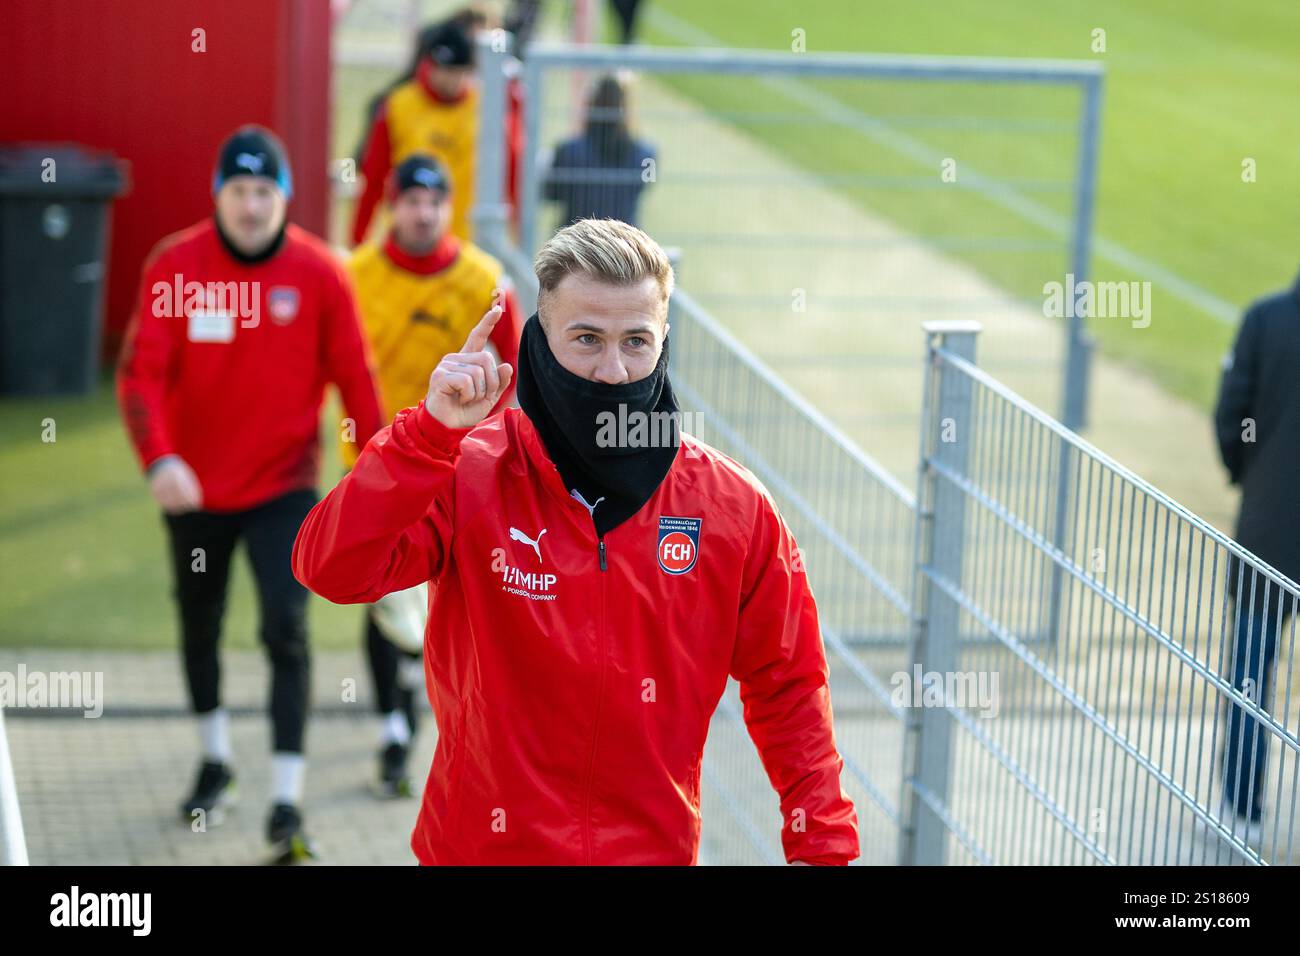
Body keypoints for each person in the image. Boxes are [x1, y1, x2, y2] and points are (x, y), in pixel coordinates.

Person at [292, 218, 859, 865]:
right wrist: (426, 436)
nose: (613, 371)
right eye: (586, 339)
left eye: (635, 342)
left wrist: (823, 848)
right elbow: (330, 569)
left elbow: (790, 686)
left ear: (664, 341)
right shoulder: (465, 471)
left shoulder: (733, 509)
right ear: (539, 339)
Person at [116, 125, 384, 862]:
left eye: (266, 190)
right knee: (199, 622)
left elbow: (356, 380)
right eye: (239, 189)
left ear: (285, 197)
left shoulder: (321, 273)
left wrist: (382, 473)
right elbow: (140, 374)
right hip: (193, 488)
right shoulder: (175, 265)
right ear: (219, 194)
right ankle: (216, 760)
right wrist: (159, 459)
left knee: (284, 629)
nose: (252, 204)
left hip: (283, 487)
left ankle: (287, 803)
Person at [345, 153, 521, 797]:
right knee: (379, 589)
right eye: (410, 200)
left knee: (452, 593)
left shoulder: (484, 280)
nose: (421, 213)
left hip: (463, 472)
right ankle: (395, 723)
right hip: (379, 463)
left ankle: (433, 706)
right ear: (392, 205)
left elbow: (517, 370)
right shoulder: (356, 275)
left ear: (449, 207)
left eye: (433, 201)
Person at [1212, 270, 1300, 845]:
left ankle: (1241, 813)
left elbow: (1231, 418)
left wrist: (1252, 475)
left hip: (1271, 528)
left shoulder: (1266, 319)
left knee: (1250, 669)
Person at [351, 18, 521, 247]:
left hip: (468, 243)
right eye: (443, 69)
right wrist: (358, 239)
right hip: (408, 242)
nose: (450, 79)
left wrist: (519, 236)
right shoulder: (398, 105)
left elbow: (511, 174)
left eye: (457, 71)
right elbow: (373, 176)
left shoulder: (487, 108)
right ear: (429, 64)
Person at [543, 73, 655, 228]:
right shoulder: (647, 154)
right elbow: (644, 186)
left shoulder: (568, 150)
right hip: (622, 243)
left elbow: (551, 194)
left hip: (576, 242)